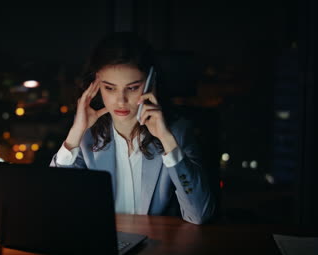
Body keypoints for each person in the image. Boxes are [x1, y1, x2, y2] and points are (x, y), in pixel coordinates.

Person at [50, 32, 215, 225]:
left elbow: (199, 215)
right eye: (110, 88)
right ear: (95, 87)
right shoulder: (86, 136)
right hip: (104, 246)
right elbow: (54, 203)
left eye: (133, 87)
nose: (121, 100)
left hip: (156, 248)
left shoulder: (176, 131)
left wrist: (167, 140)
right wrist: (74, 135)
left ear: (150, 83)